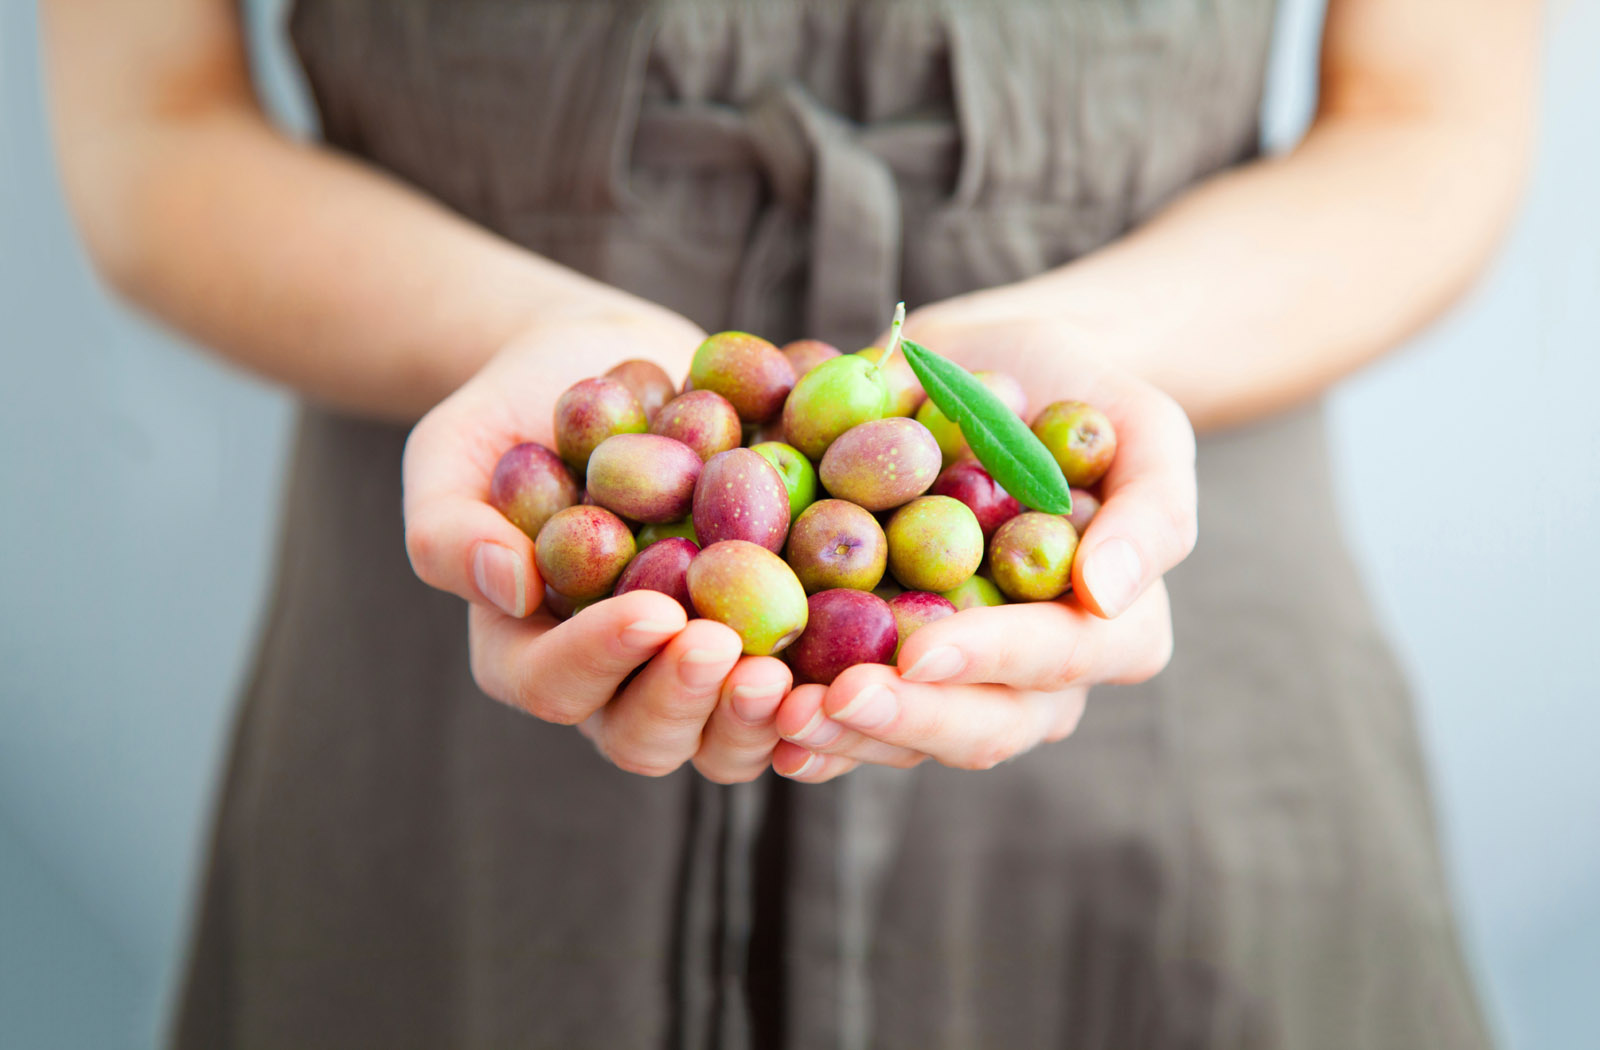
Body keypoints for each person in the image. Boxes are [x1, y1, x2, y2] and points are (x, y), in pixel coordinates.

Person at [44, 0, 1537, 1046]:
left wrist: (1047, 355)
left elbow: (1429, 122)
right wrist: (533, 326)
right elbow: (151, 135)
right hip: (449, 717)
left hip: (1181, 689)